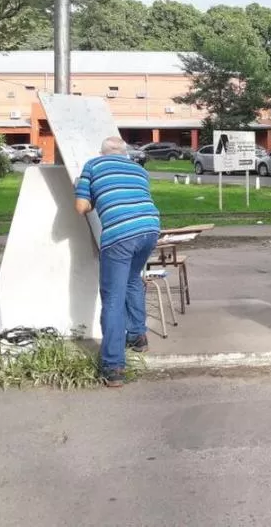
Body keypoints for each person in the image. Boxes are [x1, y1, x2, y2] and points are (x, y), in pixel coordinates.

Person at [74, 136, 161, 387]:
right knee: (133, 279)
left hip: (120, 236)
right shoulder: (139, 170)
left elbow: (81, 207)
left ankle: (113, 366)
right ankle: (137, 337)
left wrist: (82, 191)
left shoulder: (93, 165)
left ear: (102, 153)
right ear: (125, 154)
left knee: (112, 297)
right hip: (150, 229)